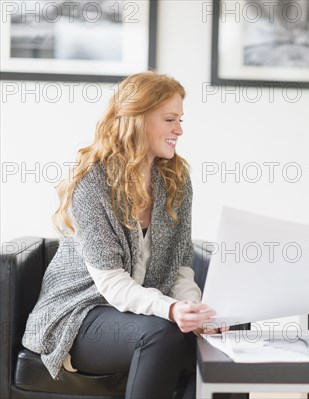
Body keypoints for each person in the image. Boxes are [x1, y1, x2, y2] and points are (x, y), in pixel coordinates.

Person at [22, 71, 220, 398]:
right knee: (162, 333)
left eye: (180, 120)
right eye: (170, 119)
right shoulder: (92, 183)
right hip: (81, 316)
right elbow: (112, 284)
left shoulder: (176, 180)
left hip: (143, 312)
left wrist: (192, 309)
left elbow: (182, 265)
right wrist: (170, 311)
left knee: (220, 338)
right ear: (137, 119)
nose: (179, 130)